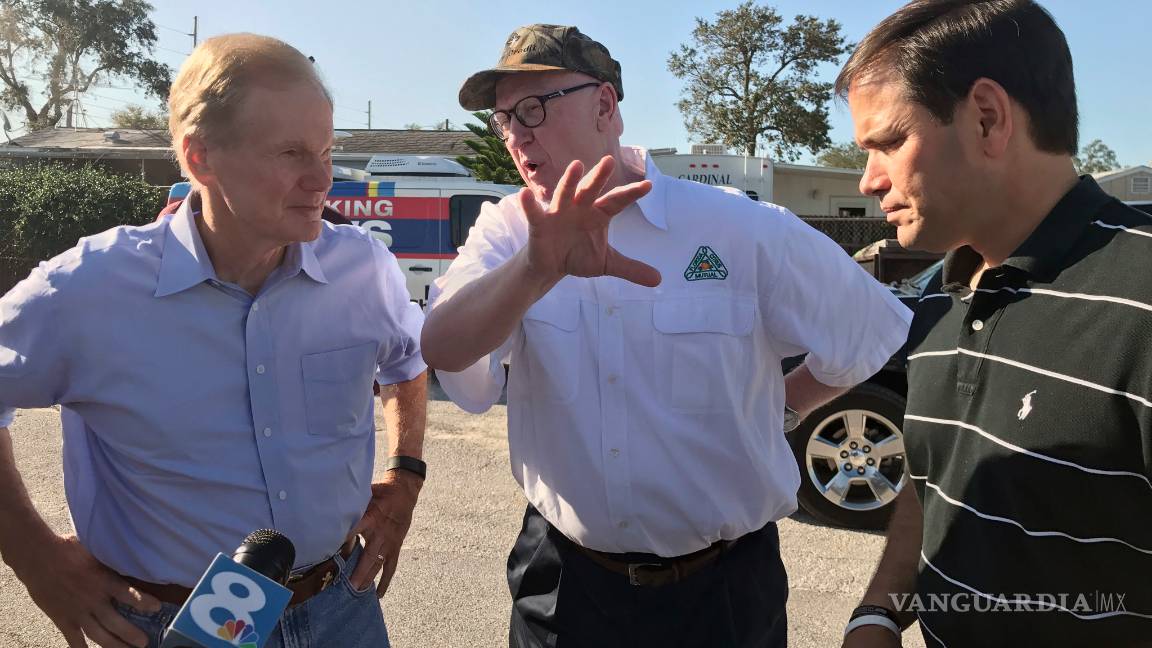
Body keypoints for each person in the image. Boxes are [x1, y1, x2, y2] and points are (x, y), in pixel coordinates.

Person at [421, 23, 912, 648]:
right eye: (504, 119)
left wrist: (783, 406)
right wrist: (536, 268)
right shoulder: (508, 232)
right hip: (566, 585)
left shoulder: (736, 227)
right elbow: (443, 348)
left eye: (534, 108)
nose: (517, 134)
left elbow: (867, 333)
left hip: (722, 594)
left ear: (605, 106)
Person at [0, 33, 427, 648]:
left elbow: (407, 362)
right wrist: (34, 557)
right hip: (170, 624)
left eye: (327, 151)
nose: (322, 179)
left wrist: (405, 474)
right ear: (200, 157)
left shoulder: (361, 269)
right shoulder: (89, 288)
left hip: (339, 607)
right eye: (291, 153)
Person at [836, 2, 1152, 646]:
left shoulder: (1140, 297)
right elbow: (934, 479)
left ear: (987, 117)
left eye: (888, 143)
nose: (868, 181)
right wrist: (878, 612)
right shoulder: (941, 296)